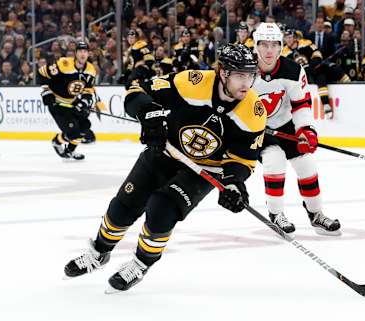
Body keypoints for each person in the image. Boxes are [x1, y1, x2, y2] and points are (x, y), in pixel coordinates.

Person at [63, 43, 267, 292]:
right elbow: (137, 91)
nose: (247, 83)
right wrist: (149, 114)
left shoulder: (254, 111)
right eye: (240, 75)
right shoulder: (192, 82)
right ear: (223, 72)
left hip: (205, 170)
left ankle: (140, 263)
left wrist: (234, 183)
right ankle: (99, 252)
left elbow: (243, 160)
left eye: (250, 75)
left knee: (161, 210)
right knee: (123, 207)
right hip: (166, 151)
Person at [252, 23, 341, 236]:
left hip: (285, 125)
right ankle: (275, 214)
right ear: (256, 45)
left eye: (275, 44)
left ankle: (316, 214)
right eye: (264, 44)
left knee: (306, 164)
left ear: (281, 46)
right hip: (256, 130)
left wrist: (305, 130)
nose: (269, 50)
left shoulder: (292, 70)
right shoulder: (244, 68)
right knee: (274, 160)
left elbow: (300, 105)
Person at [37, 41, 98, 160]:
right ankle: (57, 141)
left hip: (72, 102)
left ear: (88, 54)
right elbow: (42, 73)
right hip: (57, 103)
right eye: (80, 51)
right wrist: (46, 91)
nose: (82, 54)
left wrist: (84, 102)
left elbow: (88, 89)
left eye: (85, 51)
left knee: (84, 127)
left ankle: (69, 151)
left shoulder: (91, 70)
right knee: (73, 133)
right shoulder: (64, 64)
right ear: (75, 53)